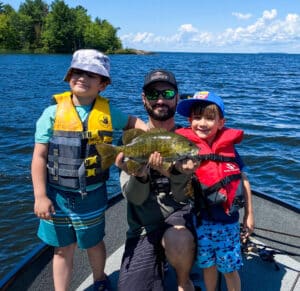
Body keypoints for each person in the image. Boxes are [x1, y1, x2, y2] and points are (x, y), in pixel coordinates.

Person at [31, 49, 147, 291]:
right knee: (62, 249)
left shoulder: (109, 113)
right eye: (78, 72)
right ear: (69, 76)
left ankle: (99, 278)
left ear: (102, 85)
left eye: (91, 75)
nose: (82, 77)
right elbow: (39, 156)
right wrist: (40, 196)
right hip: (57, 195)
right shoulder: (51, 114)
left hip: (93, 194)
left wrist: (149, 135)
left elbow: (132, 122)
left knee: (94, 243)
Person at [115, 69, 198, 291]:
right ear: (144, 99)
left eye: (168, 93)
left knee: (179, 239)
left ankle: (184, 282)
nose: (160, 100)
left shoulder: (188, 140)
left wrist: (177, 174)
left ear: (177, 97)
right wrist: (140, 174)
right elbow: (134, 198)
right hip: (143, 226)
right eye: (153, 94)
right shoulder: (133, 142)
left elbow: (185, 196)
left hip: (179, 219)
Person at [176, 91, 255, 291]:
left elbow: (243, 180)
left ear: (221, 122)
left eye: (210, 118)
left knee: (229, 269)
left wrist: (249, 215)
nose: (202, 123)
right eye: (197, 117)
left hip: (228, 223)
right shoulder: (186, 148)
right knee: (207, 265)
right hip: (201, 220)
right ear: (189, 120)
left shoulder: (230, 149)